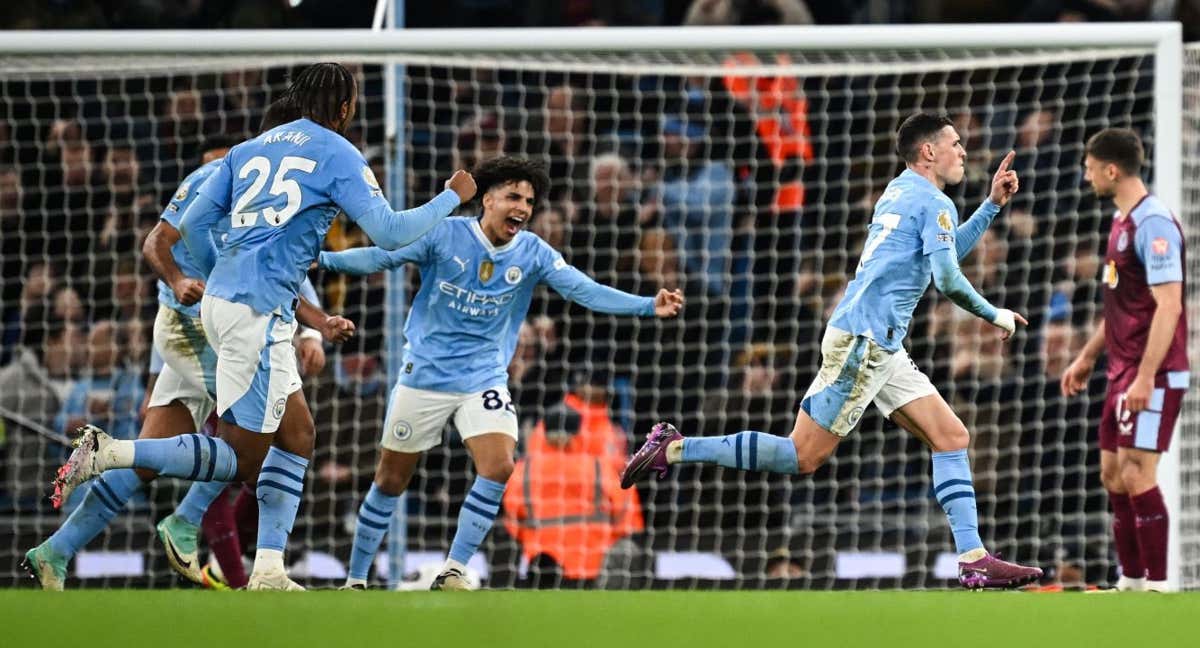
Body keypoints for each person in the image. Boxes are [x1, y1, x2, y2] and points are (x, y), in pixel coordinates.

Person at [46, 62, 476, 591]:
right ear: (344, 107)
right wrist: (453, 196)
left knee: (298, 434)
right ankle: (113, 455)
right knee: (244, 456)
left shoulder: (246, 150)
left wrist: (224, 278)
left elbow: (195, 227)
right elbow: (390, 232)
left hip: (224, 306)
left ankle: (267, 567)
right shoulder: (336, 150)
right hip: (252, 316)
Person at [622, 112, 1046, 589]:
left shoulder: (901, 191)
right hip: (865, 344)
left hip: (877, 342)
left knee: (951, 436)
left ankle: (973, 559)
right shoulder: (934, 201)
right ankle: (674, 448)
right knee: (802, 456)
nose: (963, 151)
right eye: (955, 142)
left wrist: (989, 206)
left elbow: (938, 258)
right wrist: (995, 314)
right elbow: (946, 278)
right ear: (929, 151)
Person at [317, 156, 683, 590]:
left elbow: (585, 290)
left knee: (499, 466)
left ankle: (453, 569)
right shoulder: (445, 233)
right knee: (390, 479)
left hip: (483, 378)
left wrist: (646, 304)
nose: (523, 207)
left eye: (529, 200)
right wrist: (321, 260)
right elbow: (379, 257)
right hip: (425, 376)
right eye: (513, 196)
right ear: (487, 199)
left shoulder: (533, 252)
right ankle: (355, 580)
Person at [21, 100, 344, 590]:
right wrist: (178, 280)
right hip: (201, 328)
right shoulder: (219, 184)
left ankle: (54, 551)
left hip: (202, 326)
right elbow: (159, 243)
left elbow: (282, 268)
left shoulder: (258, 189)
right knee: (281, 437)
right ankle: (188, 521)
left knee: (157, 454)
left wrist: (311, 327)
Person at [1061, 127, 1188, 592]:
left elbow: (1168, 305)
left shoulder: (1152, 223)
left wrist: (1147, 377)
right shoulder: (1121, 221)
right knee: (1112, 473)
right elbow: (1122, 304)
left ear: (1111, 170)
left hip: (1153, 372)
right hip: (1122, 371)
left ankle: (1157, 586)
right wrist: (1087, 357)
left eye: (1090, 168)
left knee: (1137, 470)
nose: (1086, 175)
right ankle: (1131, 581)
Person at [503, 401, 642, 589]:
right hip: (594, 563)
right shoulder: (599, 467)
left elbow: (512, 520)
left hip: (542, 562)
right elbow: (626, 515)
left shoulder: (522, 471)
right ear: (579, 431)